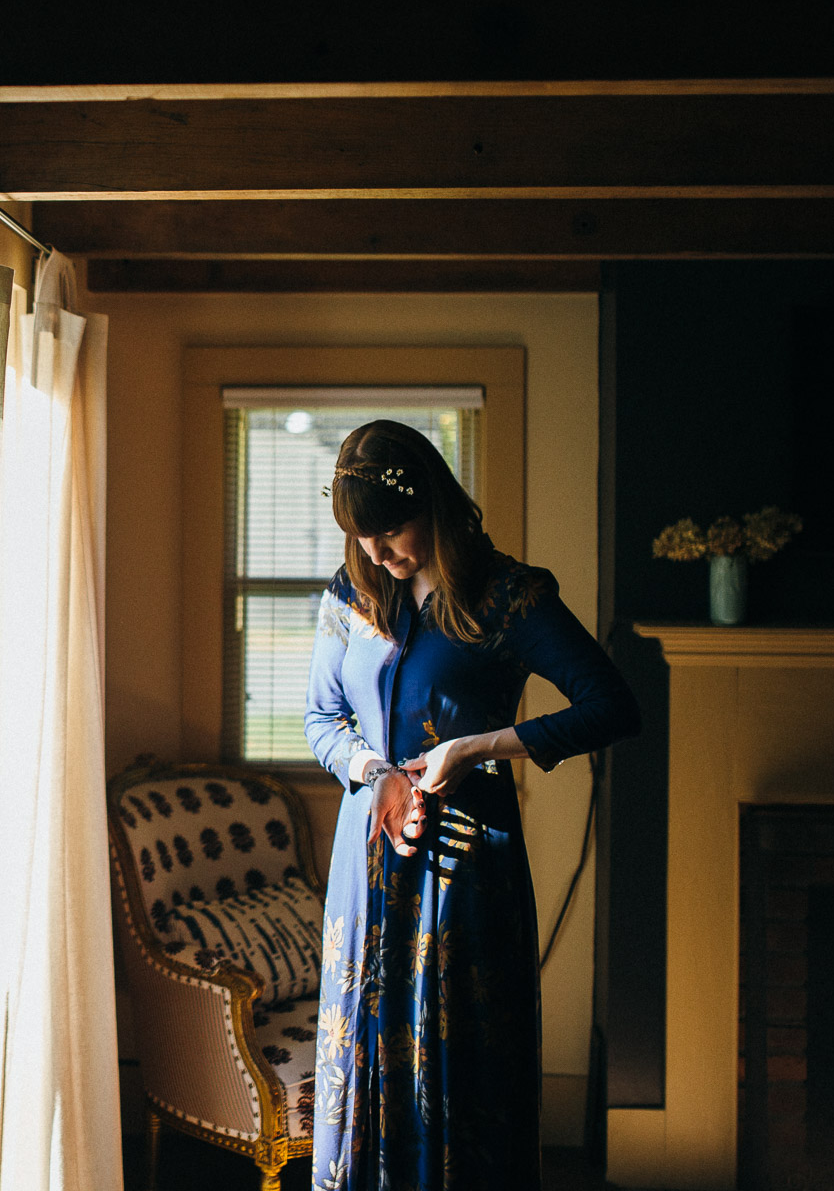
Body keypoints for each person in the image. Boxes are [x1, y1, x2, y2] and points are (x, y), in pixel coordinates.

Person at [304, 419, 640, 1190]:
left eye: (391, 532)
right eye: (363, 539)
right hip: (367, 853)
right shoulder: (350, 592)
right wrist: (371, 771)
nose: (379, 553)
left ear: (434, 504)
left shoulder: (509, 595)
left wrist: (481, 747)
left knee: (459, 1060)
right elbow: (321, 718)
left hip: (466, 864)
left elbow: (611, 704)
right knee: (364, 1047)